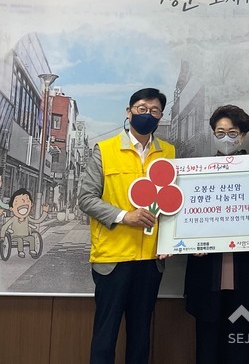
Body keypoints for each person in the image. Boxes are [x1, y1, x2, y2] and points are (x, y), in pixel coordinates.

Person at [78, 88, 175, 364]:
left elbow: (174, 202)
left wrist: (171, 240)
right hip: (113, 258)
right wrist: (124, 216)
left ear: (161, 116)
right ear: (129, 112)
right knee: (105, 334)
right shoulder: (105, 150)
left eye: (154, 111)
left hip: (150, 260)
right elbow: (85, 198)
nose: (148, 115)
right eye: (142, 108)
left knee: (141, 335)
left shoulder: (169, 152)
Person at [184, 105, 249, 364]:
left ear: (243, 136)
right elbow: (186, 220)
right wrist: (190, 242)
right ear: (212, 135)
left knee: (239, 348)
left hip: (244, 274)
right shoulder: (197, 173)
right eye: (220, 133)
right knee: (206, 348)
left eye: (232, 133)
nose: (226, 138)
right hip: (206, 273)